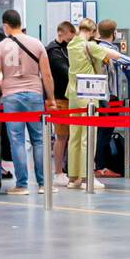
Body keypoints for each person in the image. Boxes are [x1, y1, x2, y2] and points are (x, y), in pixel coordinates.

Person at [0, 10, 54, 195]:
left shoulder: (0, 47)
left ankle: (22, 185)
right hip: (34, 94)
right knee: (39, 140)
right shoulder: (37, 44)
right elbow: (46, 75)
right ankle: (43, 184)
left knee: (16, 141)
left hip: (11, 97)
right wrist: (52, 98)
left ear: (5, 25)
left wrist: (3, 90)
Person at [65, 18, 129, 189]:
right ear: (93, 32)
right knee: (88, 136)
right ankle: (87, 177)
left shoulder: (71, 45)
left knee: (75, 137)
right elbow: (115, 55)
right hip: (88, 96)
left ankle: (73, 178)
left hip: (73, 95)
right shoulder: (90, 46)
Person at [94, 19, 126, 178]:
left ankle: (100, 164)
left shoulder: (96, 48)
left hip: (102, 96)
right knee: (104, 132)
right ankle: (100, 166)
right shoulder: (110, 51)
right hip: (108, 97)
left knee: (102, 131)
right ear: (114, 33)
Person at [45, 21, 74, 184]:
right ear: (61, 33)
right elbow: (64, 70)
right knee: (61, 135)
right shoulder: (53, 51)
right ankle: (58, 171)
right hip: (59, 98)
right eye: (70, 37)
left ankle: (65, 168)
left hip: (68, 97)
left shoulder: (65, 49)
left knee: (68, 136)